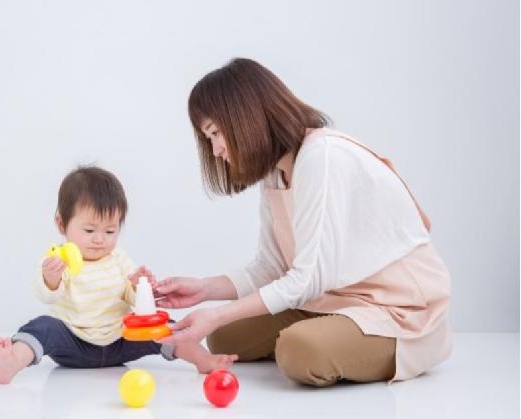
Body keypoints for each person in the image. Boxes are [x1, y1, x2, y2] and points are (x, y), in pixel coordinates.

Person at [156, 58, 451, 387]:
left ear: (244, 117)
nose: (216, 150)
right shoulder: (276, 172)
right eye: (208, 138)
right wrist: (204, 290)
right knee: (225, 337)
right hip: (332, 299)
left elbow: (307, 278)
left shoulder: (321, 156)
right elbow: (270, 267)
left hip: (398, 309)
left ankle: (414, 346)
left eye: (215, 133)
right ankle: (329, 331)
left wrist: (218, 313)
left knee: (298, 351)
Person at [0, 165, 236, 384]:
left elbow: (135, 302)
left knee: (163, 325)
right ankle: (12, 361)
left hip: (121, 341)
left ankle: (203, 360)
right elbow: (47, 295)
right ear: (61, 224)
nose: (99, 240)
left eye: (109, 231)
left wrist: (141, 287)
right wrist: (51, 279)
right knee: (43, 326)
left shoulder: (119, 260)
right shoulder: (59, 261)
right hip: (74, 344)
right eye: (90, 229)